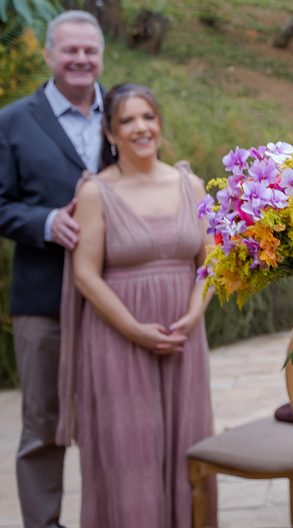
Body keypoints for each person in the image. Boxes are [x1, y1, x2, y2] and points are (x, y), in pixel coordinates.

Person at [55, 84, 215, 528]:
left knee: (188, 444)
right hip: (118, 338)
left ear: (159, 124)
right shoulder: (95, 192)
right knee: (131, 455)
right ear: (110, 133)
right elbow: (86, 274)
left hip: (183, 335)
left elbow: (212, 262)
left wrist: (193, 315)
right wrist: (133, 329)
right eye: (126, 120)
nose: (140, 128)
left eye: (148, 117)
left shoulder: (191, 185)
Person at [0, 10, 104, 528]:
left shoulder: (126, 113)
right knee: (43, 423)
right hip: (43, 298)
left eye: (90, 51)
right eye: (70, 50)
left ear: (101, 56)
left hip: (115, 297)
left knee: (112, 420)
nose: (80, 59)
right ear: (48, 54)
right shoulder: (13, 120)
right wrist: (44, 222)